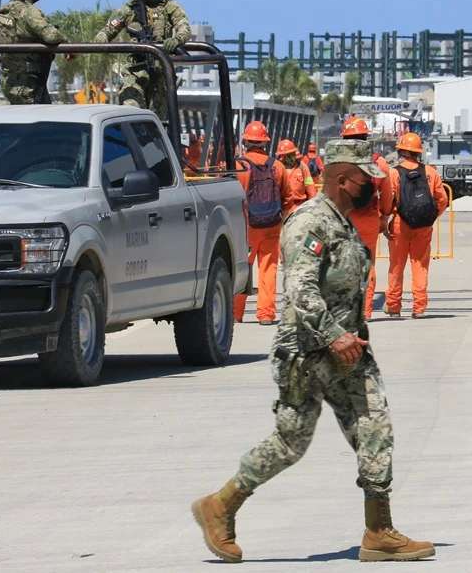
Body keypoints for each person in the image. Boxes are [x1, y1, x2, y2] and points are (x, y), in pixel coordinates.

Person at [192, 139, 434, 564]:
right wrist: (331, 335)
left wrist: (350, 338)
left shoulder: (341, 221)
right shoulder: (309, 223)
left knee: (374, 427)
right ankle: (221, 504)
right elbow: (300, 290)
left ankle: (379, 531)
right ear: (343, 180)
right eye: (366, 181)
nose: (373, 188)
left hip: (349, 352)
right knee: (291, 442)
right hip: (307, 352)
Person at [92, 0, 191, 117]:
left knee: (161, 121)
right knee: (131, 111)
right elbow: (106, 31)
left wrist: (176, 40)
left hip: (161, 72)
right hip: (135, 72)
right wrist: (100, 41)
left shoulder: (169, 7)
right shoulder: (127, 10)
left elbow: (184, 27)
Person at [232, 121, 292, 326]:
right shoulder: (277, 166)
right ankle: (266, 314)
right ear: (265, 142)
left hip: (246, 228)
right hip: (272, 225)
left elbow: (232, 199)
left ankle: (235, 313)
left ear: (246, 141)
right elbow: (288, 197)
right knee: (269, 268)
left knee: (242, 268)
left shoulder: (239, 166)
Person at [385, 132, 448, 319]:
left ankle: (394, 306)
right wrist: (431, 217)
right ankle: (419, 307)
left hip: (400, 224)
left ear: (402, 151)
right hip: (424, 227)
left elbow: (388, 201)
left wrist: (386, 219)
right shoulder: (430, 172)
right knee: (420, 265)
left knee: (396, 266)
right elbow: (442, 199)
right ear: (418, 152)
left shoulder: (394, 172)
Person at [339, 117, 394, 320]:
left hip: (345, 219)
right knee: (368, 265)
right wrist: (384, 218)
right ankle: (366, 311)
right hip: (369, 220)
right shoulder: (378, 163)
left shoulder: (338, 162)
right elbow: (387, 195)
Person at [0, 0, 67, 104]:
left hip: (9, 83)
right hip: (28, 85)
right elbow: (51, 36)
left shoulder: (3, 12)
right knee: (43, 123)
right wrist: (66, 43)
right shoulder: (28, 11)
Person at [276, 139, 316, 217]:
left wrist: (313, 208)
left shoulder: (302, 167)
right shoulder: (277, 167)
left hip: (300, 209)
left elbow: (310, 186)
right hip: (282, 210)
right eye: (281, 156)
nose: (282, 158)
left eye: (285, 155)